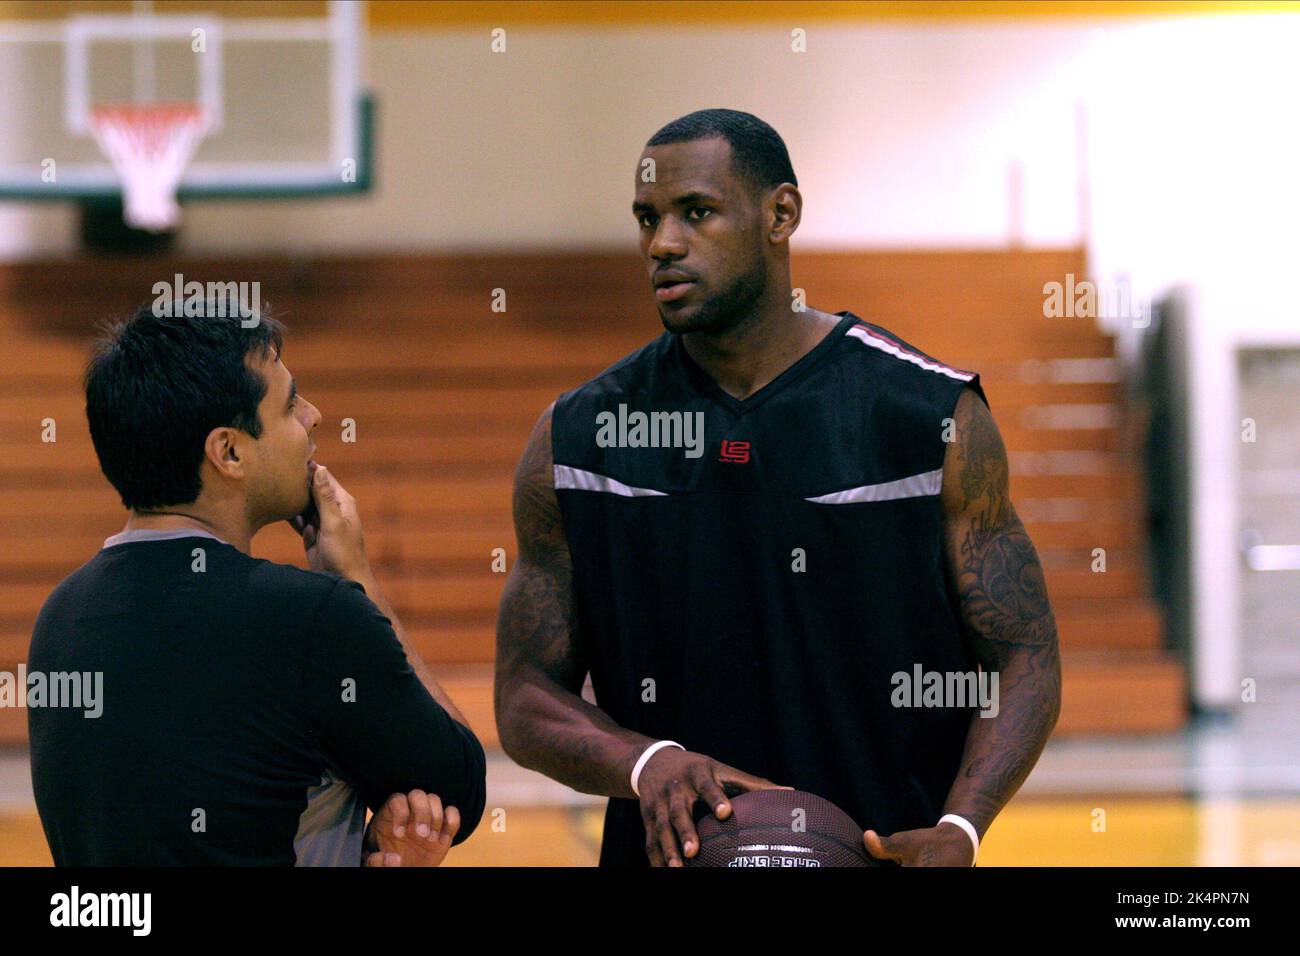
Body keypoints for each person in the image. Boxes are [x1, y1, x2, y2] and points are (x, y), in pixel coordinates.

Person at [494, 109, 1061, 867]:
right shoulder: (578, 438)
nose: (662, 244)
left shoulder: (928, 417)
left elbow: (1023, 654)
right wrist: (644, 761)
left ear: (780, 214)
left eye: (696, 213)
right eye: (647, 219)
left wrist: (962, 825)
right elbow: (526, 690)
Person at [29, 301, 486, 866]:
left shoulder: (59, 618)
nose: (314, 415)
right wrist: (356, 576)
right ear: (228, 451)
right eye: (291, 404)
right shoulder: (313, 618)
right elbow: (457, 788)